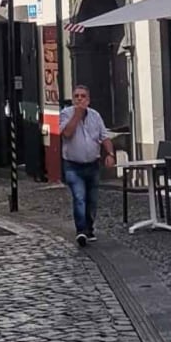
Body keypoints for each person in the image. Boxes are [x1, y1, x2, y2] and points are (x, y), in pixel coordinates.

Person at [58, 84, 115, 247]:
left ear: (88, 100)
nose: (79, 99)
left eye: (83, 96)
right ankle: (81, 230)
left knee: (92, 199)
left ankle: (89, 228)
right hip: (73, 165)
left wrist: (110, 154)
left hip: (93, 164)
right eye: (76, 96)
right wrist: (77, 115)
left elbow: (104, 137)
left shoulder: (95, 116)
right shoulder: (65, 114)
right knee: (79, 197)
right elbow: (67, 134)